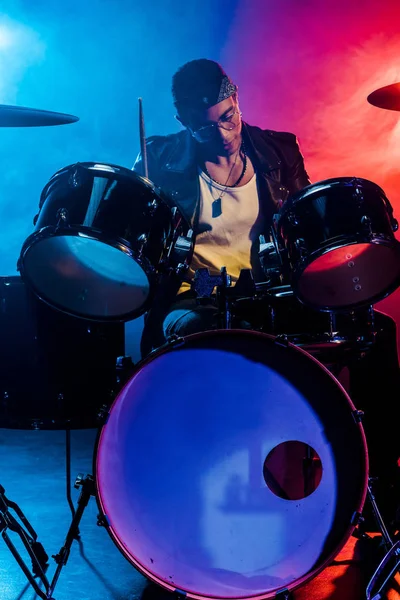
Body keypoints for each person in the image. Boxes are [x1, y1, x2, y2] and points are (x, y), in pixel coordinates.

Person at [133, 58, 400, 532]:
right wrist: (178, 278)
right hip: (190, 302)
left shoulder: (278, 150)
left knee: (374, 331)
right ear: (184, 122)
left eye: (227, 116)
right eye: (204, 125)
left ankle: (380, 490)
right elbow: (148, 257)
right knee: (206, 336)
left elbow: (301, 231)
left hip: (268, 294)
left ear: (236, 99)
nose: (221, 131)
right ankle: (205, 491)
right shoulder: (158, 160)